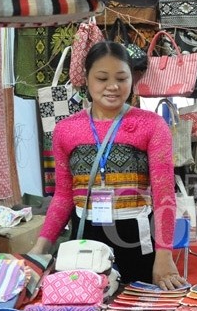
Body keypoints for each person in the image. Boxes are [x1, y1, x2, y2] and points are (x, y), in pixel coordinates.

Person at [28, 41, 187, 289]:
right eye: (102, 78)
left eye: (122, 78)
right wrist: (40, 249)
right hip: (85, 242)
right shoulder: (65, 130)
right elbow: (62, 196)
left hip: (138, 242)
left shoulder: (152, 125)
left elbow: (164, 194)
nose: (113, 87)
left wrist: (164, 255)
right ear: (86, 79)